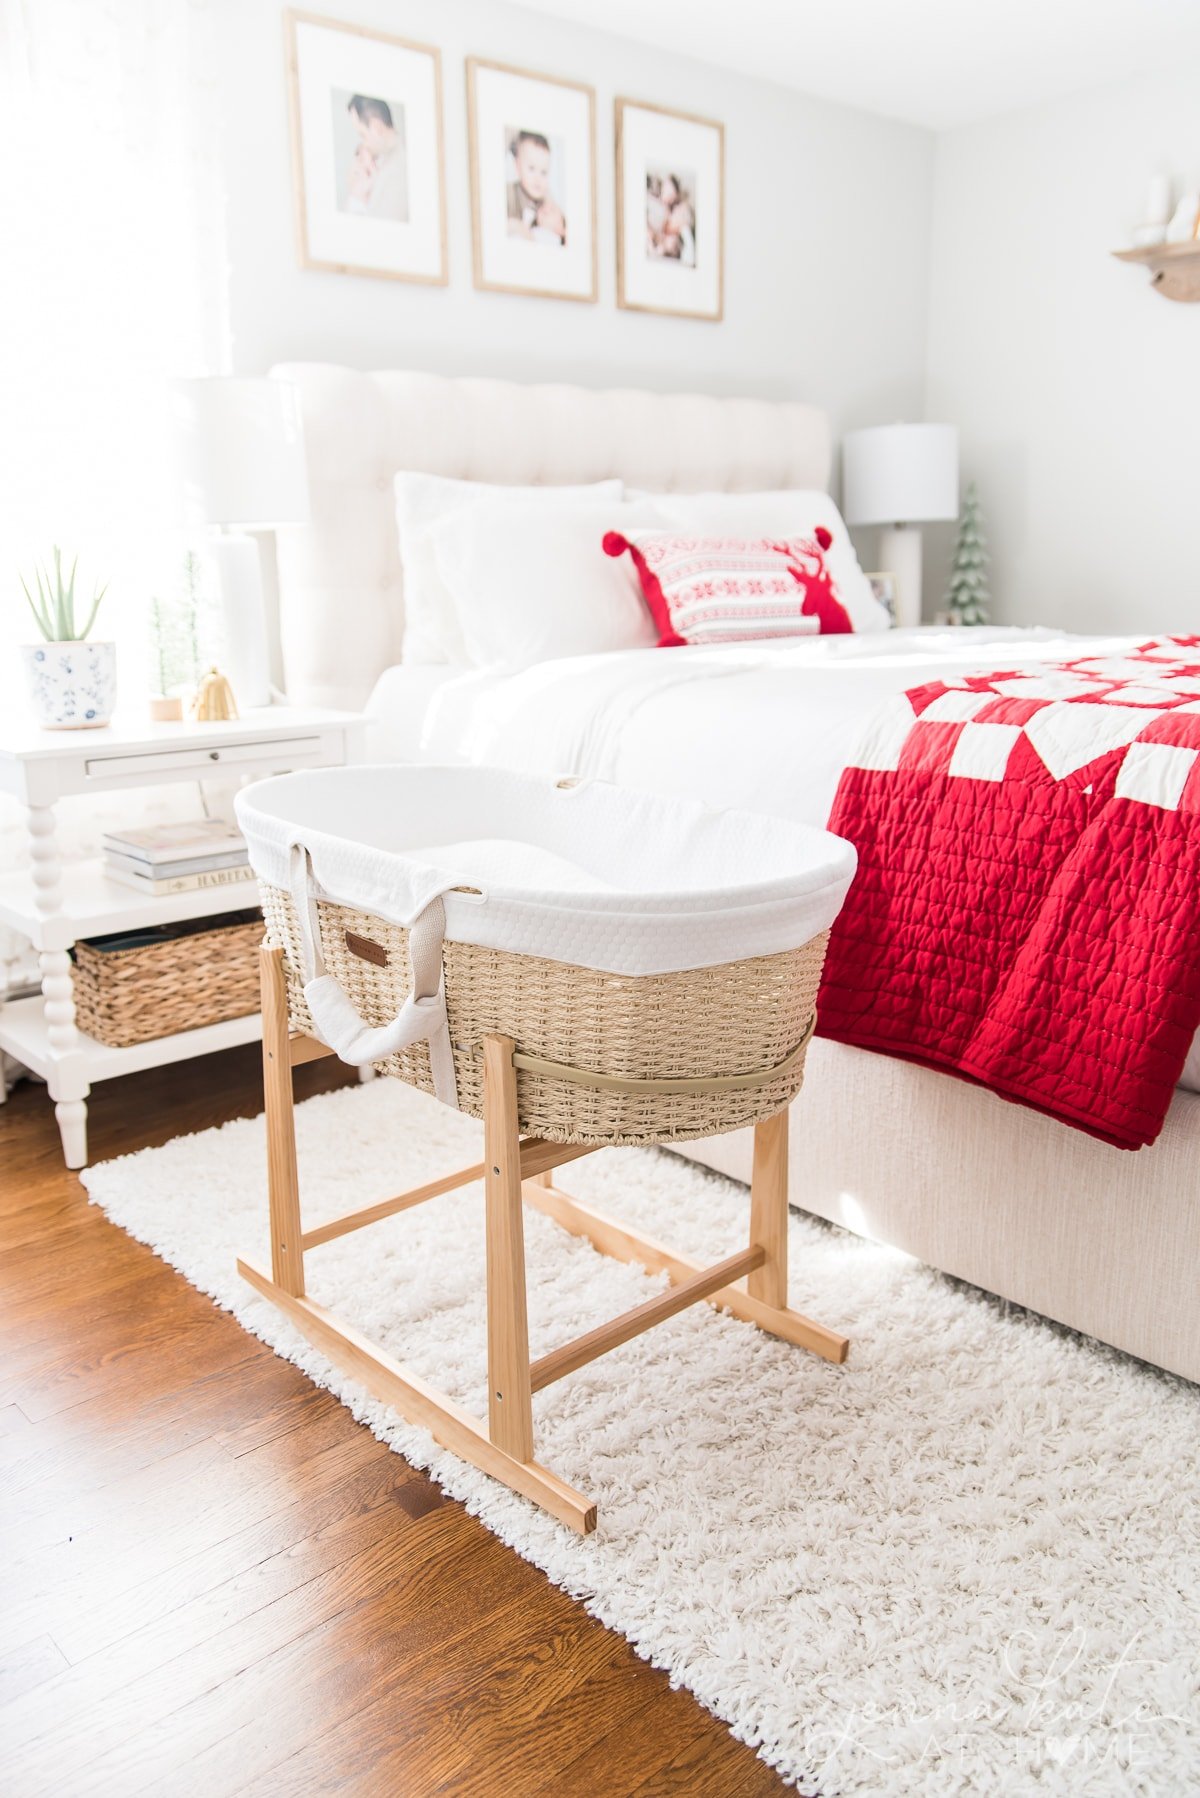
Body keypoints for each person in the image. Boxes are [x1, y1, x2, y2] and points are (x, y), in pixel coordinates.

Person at [344, 94, 409, 222]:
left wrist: (357, 200)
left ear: (377, 127)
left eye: (362, 135)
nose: (363, 144)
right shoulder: (379, 163)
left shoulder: (400, 170)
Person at [506, 130, 566, 245]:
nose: (538, 178)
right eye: (531, 169)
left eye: (543, 172)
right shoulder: (509, 193)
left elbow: (559, 224)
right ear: (517, 166)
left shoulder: (546, 197)